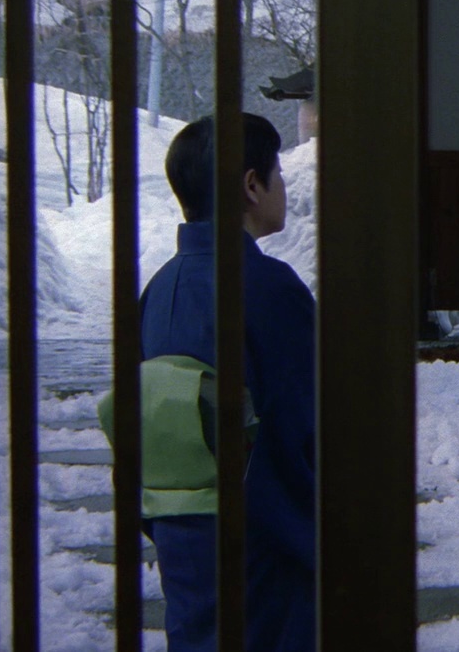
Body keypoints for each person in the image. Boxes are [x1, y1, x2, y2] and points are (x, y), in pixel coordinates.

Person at [140, 113, 316, 651]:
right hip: (264, 539)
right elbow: (301, 428)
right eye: (277, 173)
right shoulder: (266, 286)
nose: (282, 187)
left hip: (183, 538)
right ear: (250, 184)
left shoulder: (161, 288)